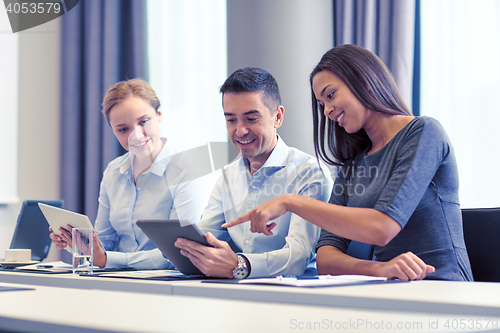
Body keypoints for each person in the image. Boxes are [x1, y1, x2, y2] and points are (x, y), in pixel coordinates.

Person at [224, 45, 473, 281]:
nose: (326, 111)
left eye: (330, 95)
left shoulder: (424, 133)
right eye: (321, 103)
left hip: (442, 286)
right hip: (391, 290)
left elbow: (383, 227)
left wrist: (290, 201)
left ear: (363, 81)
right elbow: (326, 260)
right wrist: (380, 269)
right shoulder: (354, 163)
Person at [174, 67, 333, 279]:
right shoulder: (228, 177)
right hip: (236, 294)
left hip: (293, 296)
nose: (240, 131)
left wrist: (240, 265)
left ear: (277, 117)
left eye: (251, 119)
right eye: (231, 120)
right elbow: (203, 240)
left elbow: (298, 256)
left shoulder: (310, 173)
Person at [50, 78, 212, 269]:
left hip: (167, 284)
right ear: (113, 131)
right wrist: (78, 244)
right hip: (119, 280)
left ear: (159, 114)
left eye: (143, 122)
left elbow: (180, 251)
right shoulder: (113, 172)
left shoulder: (188, 169)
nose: (136, 135)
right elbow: (105, 243)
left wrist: (107, 259)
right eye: (123, 129)